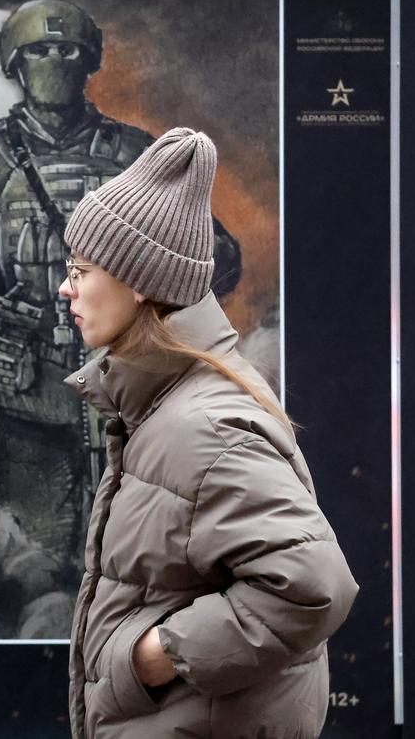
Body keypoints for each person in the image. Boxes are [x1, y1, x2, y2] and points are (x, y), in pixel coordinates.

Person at [0, 0, 241, 577]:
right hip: (26, 385)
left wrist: (145, 270)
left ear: (88, 60)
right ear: (14, 63)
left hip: (132, 388)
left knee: (143, 558)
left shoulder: (133, 153)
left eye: (66, 50)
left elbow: (219, 260)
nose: (53, 62)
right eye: (38, 50)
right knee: (35, 559)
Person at [60, 127, 357, 737]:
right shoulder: (164, 403)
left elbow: (312, 586)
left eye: (79, 269)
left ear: (137, 281)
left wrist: (155, 656)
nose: (66, 287)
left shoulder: (203, 427)